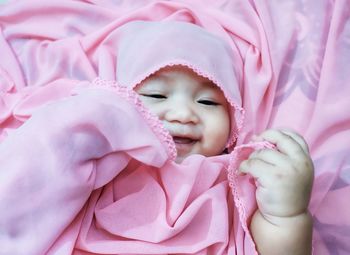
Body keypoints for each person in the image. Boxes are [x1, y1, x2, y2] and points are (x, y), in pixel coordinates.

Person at [0, 21, 313, 255]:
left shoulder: (233, 178)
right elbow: (38, 177)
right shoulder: (108, 161)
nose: (181, 114)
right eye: (155, 94)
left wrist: (286, 213)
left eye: (208, 102)